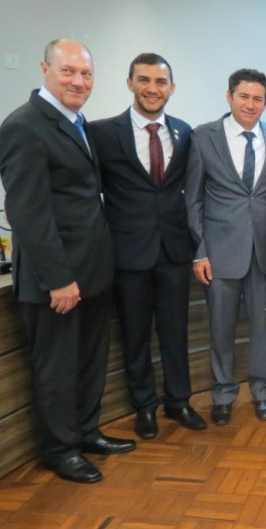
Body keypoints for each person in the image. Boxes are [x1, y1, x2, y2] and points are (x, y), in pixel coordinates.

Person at [0, 39, 135, 484]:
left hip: (91, 272)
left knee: (90, 361)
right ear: (44, 70)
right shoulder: (24, 126)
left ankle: (86, 432)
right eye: (69, 71)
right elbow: (28, 214)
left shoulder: (75, 122)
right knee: (56, 369)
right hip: (56, 281)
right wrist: (58, 280)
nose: (79, 81)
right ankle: (60, 449)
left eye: (87, 73)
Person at [91, 53, 206, 440]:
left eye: (160, 82)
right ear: (129, 84)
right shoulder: (103, 134)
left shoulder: (184, 132)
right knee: (136, 336)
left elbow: (188, 191)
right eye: (144, 80)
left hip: (174, 250)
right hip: (128, 254)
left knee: (175, 332)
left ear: (171, 88)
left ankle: (179, 401)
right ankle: (145, 407)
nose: (152, 89)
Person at [186, 69, 266, 425]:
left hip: (263, 252)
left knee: (263, 328)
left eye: (257, 98)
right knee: (221, 329)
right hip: (219, 252)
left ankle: (263, 392)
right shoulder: (202, 137)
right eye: (244, 96)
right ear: (229, 97)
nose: (250, 104)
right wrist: (199, 251)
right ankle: (223, 393)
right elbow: (193, 199)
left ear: (265, 103)